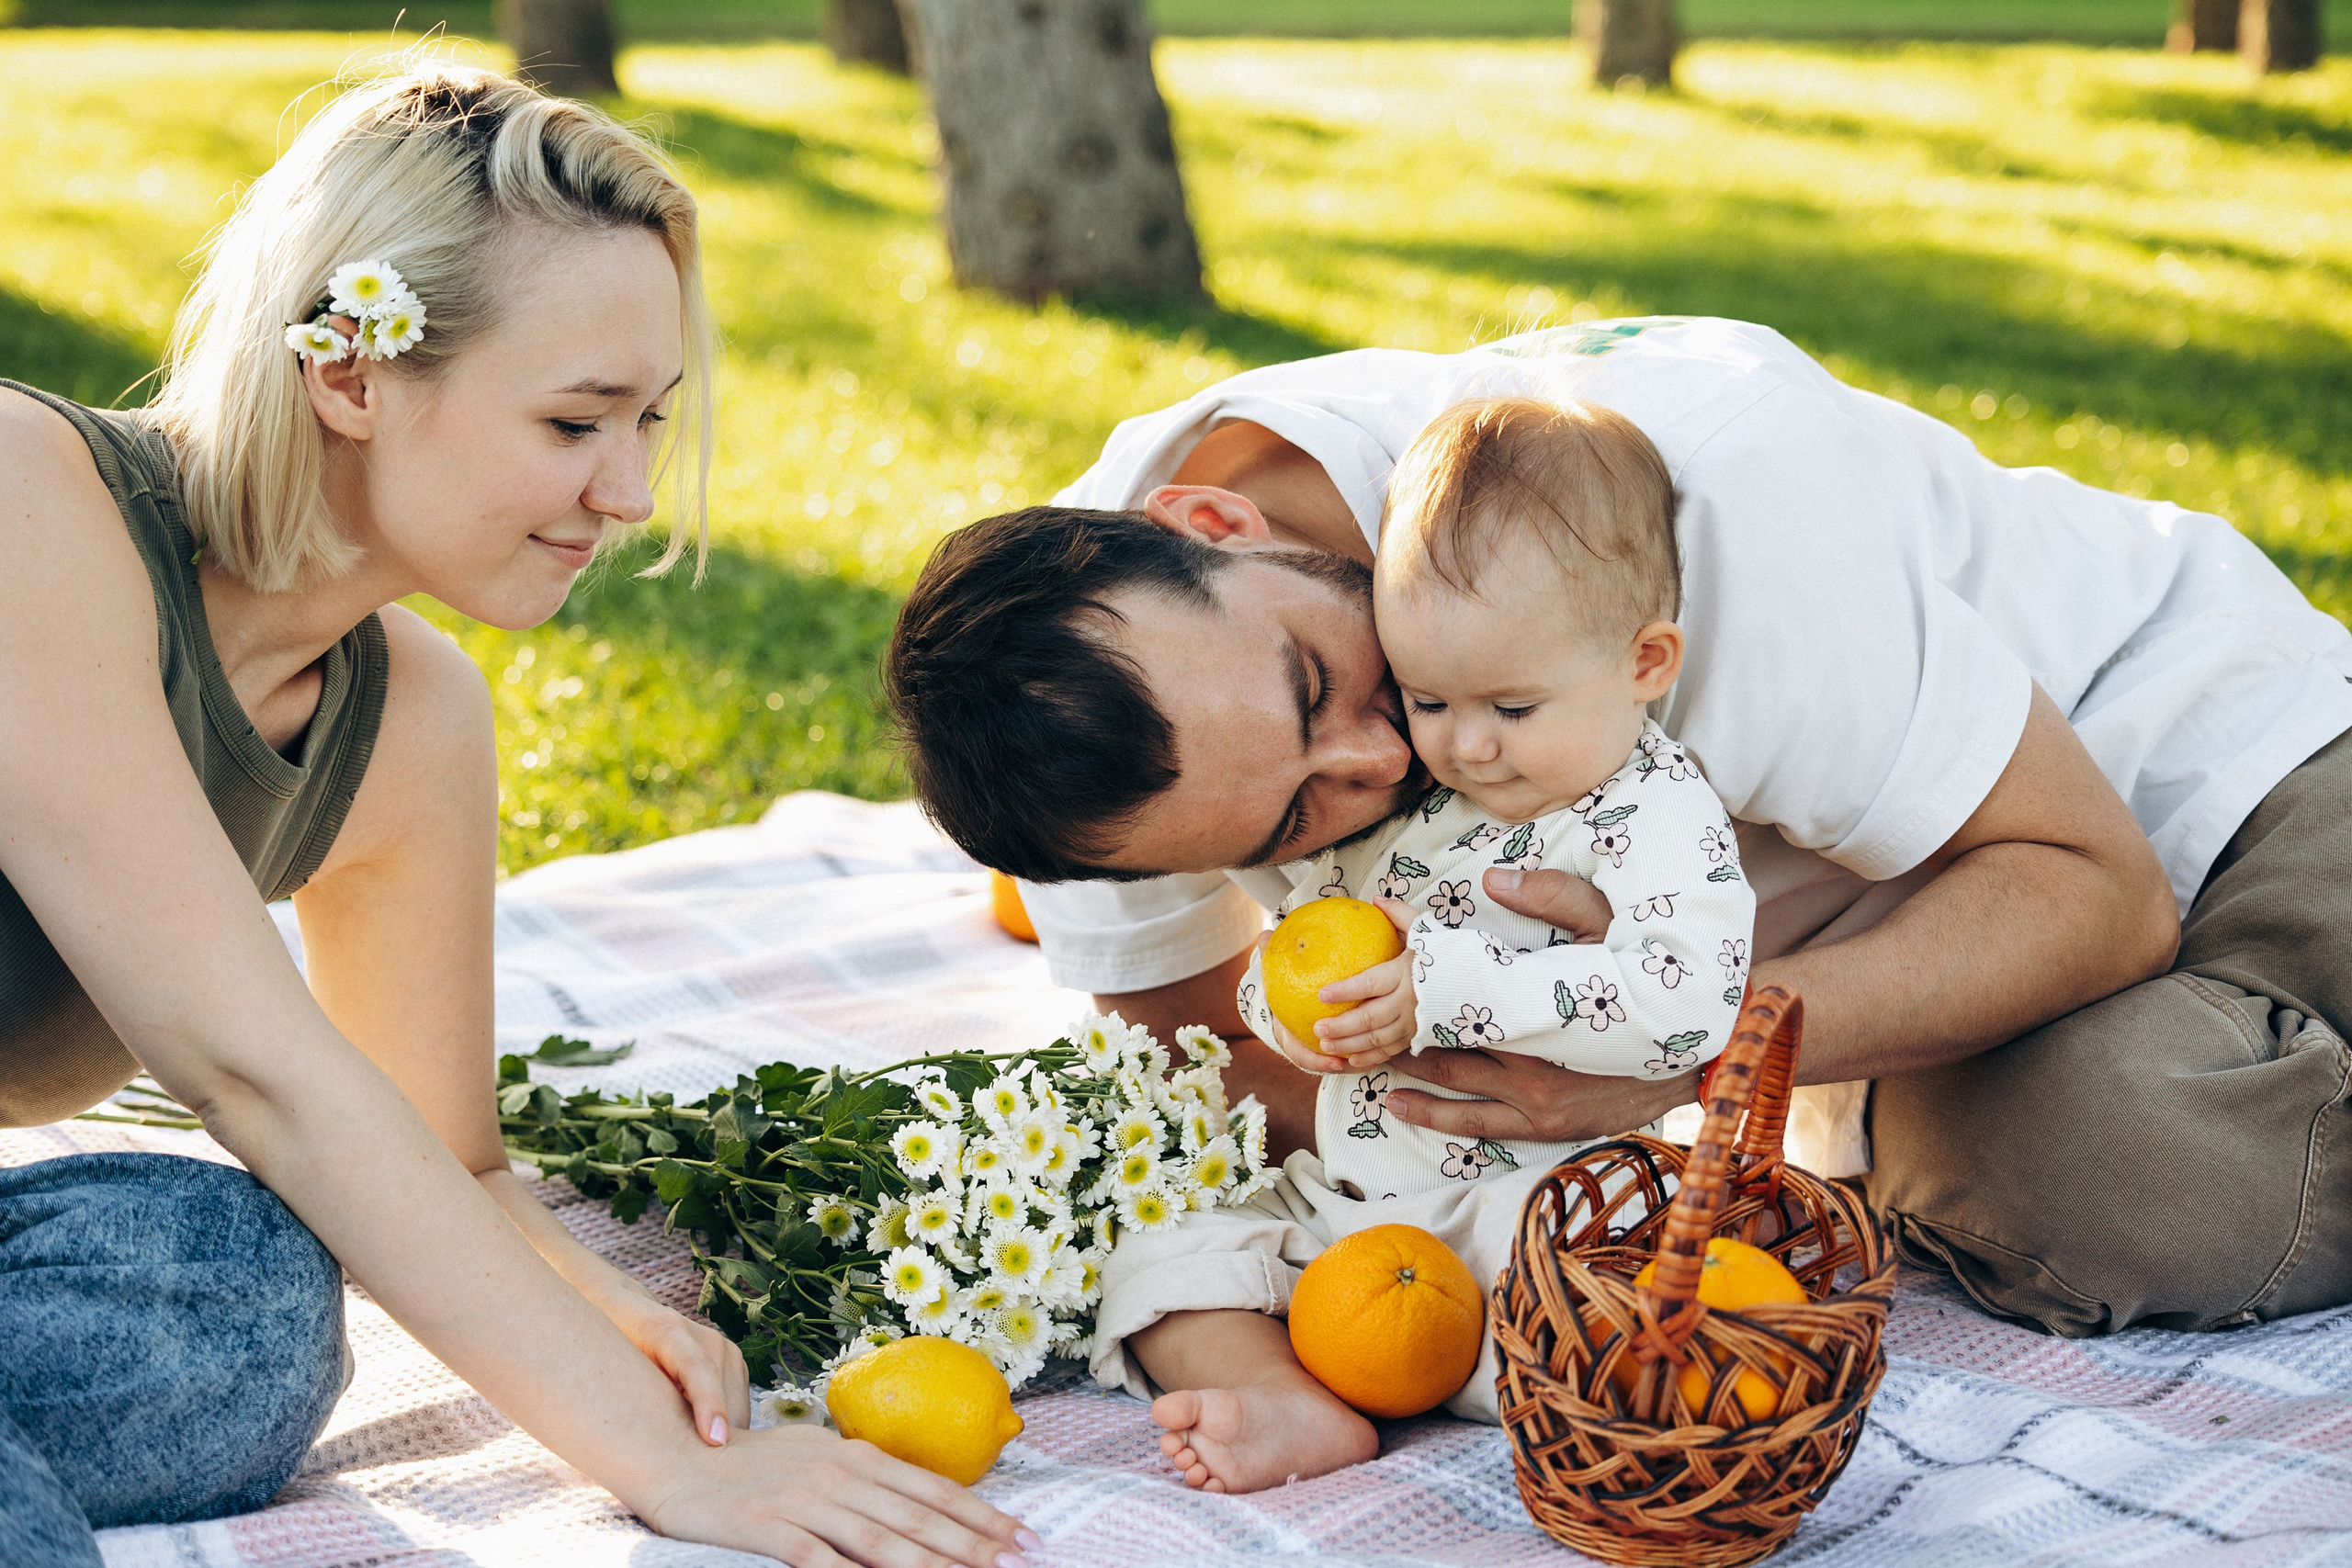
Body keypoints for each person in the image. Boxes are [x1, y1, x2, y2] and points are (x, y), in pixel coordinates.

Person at [884, 313, 2352, 1374]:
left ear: (1210, 517)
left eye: (1315, 679)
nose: (1387, 756)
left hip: (2202, 780)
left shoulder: (1693, 491)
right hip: (1899, 978)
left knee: (2125, 1170)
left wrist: (1666, 1052)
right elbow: (1220, 1063)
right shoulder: (1079, 727)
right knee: (2070, 1181)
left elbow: (2101, 896)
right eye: (1289, 820)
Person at [0, 63, 1031, 1568]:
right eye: (573, 421)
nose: (626, 488)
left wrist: (612, 1329)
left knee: (245, 1299)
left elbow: (447, 1158)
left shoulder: (409, 720)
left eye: (649, 422)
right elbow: (252, 1067)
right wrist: (666, 1475)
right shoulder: (27, 500)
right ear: (349, 375)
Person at [1080, 394, 1758, 1491]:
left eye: (1514, 707)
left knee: (1568, 1324)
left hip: (1533, 1190)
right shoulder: (1417, 795)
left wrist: (1439, 989)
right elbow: (1302, 946)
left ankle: (1438, 1372)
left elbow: (1682, 1003)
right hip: (1347, 1192)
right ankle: (1290, 1395)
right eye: (1431, 697)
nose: (1462, 744)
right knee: (1162, 1255)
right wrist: (1291, 1008)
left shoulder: (1652, 812)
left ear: (1644, 662)